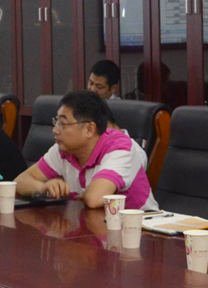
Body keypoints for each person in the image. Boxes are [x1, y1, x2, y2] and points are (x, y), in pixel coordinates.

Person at [13, 90, 158, 210]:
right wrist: (42, 187)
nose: (55, 130)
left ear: (89, 129)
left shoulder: (119, 147)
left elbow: (94, 199)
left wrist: (88, 194)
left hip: (140, 229)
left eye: (62, 123)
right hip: (91, 225)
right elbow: (19, 181)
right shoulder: (63, 149)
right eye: (56, 122)